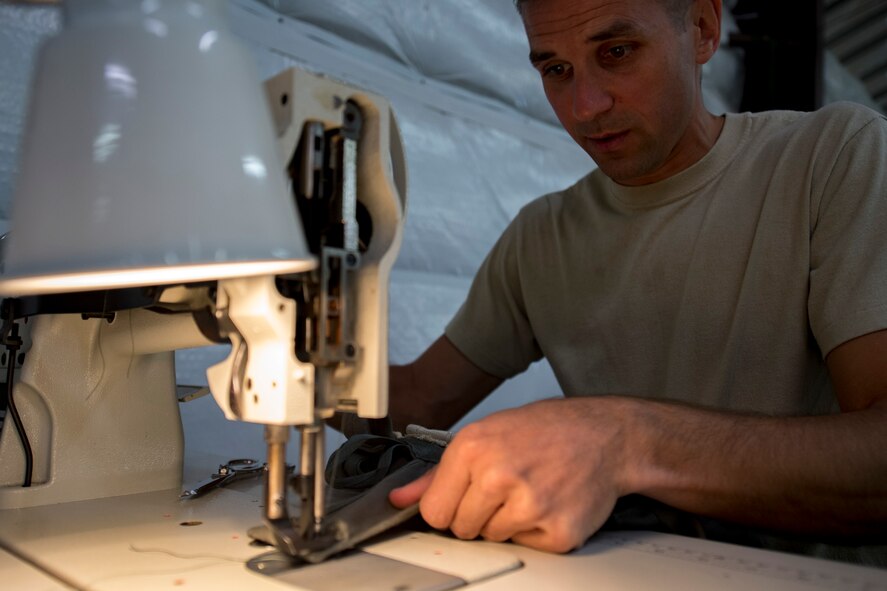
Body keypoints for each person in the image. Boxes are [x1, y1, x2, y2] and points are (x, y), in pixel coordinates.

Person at [385, 0, 887, 564]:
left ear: (701, 29)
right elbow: (416, 399)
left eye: (616, 53)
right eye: (555, 70)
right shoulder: (541, 237)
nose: (585, 106)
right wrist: (294, 349)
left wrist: (625, 440)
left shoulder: (833, 157)